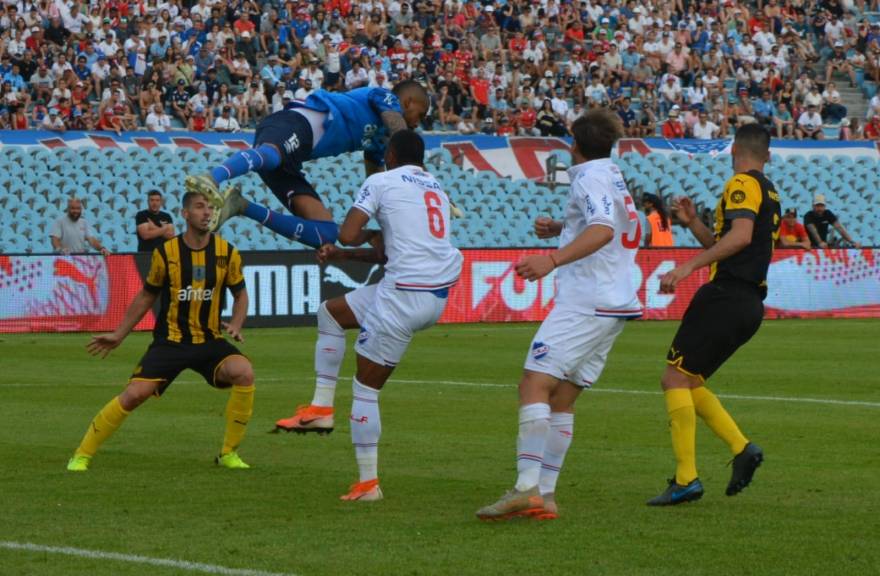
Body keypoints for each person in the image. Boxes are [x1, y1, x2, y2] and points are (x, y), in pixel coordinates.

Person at [274, 131, 462, 502]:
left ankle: (367, 484)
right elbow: (388, 252)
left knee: (365, 389)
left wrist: (359, 238)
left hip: (403, 297)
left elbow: (347, 233)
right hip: (433, 294)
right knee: (330, 313)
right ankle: (321, 405)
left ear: (390, 154)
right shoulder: (436, 188)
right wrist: (348, 256)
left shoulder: (380, 180)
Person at [476, 108, 642, 521]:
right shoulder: (614, 175)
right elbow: (620, 227)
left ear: (575, 144)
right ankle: (546, 496)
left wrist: (552, 259)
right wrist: (563, 230)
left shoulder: (587, 175)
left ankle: (525, 487)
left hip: (588, 299)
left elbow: (603, 229)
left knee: (534, 382)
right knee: (563, 398)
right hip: (616, 301)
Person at [66, 191, 254, 472]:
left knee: (244, 372)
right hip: (171, 342)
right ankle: (81, 454)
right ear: (185, 214)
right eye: (200, 207)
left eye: (211, 208)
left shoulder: (227, 252)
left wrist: (237, 323)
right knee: (134, 394)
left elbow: (241, 294)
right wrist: (119, 334)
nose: (207, 213)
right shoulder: (166, 253)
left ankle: (228, 453)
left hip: (209, 340)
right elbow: (146, 296)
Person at [646, 124, 780, 506]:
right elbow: (734, 244)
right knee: (688, 381)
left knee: (673, 378)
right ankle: (742, 449)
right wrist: (693, 223)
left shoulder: (742, 184)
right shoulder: (770, 190)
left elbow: (737, 239)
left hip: (726, 295)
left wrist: (687, 267)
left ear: (735, 149)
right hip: (748, 304)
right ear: (767, 154)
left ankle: (686, 478)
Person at [185, 81, 431, 250]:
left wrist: (373, 232)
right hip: (294, 123)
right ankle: (212, 177)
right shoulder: (384, 96)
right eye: (420, 114)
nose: (418, 123)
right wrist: (422, 176)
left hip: (293, 157)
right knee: (271, 156)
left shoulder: (378, 143)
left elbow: (378, 183)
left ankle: (240, 205)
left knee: (326, 234)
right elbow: (399, 130)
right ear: (408, 101)